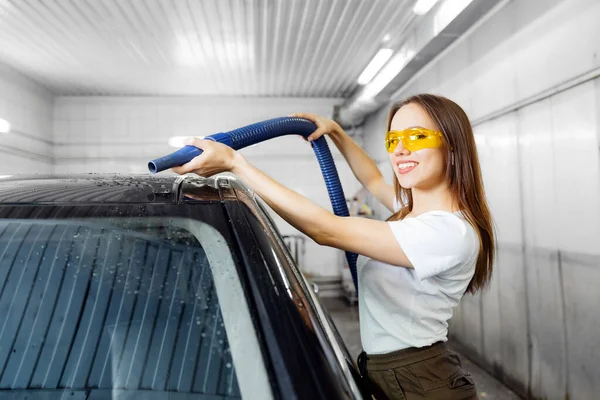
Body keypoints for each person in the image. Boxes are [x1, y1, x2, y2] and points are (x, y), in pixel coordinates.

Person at [172, 93, 494, 400]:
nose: (399, 150)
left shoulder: (448, 232)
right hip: (391, 373)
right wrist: (336, 132)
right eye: (393, 140)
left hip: (423, 382)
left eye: (416, 137)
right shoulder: (413, 212)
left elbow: (325, 230)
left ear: (452, 146)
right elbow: (372, 180)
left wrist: (236, 165)